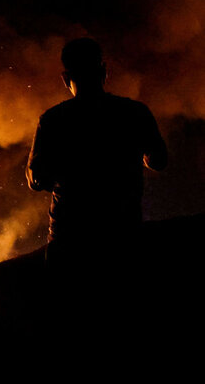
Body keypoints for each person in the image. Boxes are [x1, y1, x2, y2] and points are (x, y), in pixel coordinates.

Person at [26, 37, 168, 276]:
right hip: (123, 236)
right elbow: (160, 161)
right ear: (104, 72)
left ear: (65, 78)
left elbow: (36, 180)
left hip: (69, 241)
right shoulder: (134, 112)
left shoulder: (53, 120)